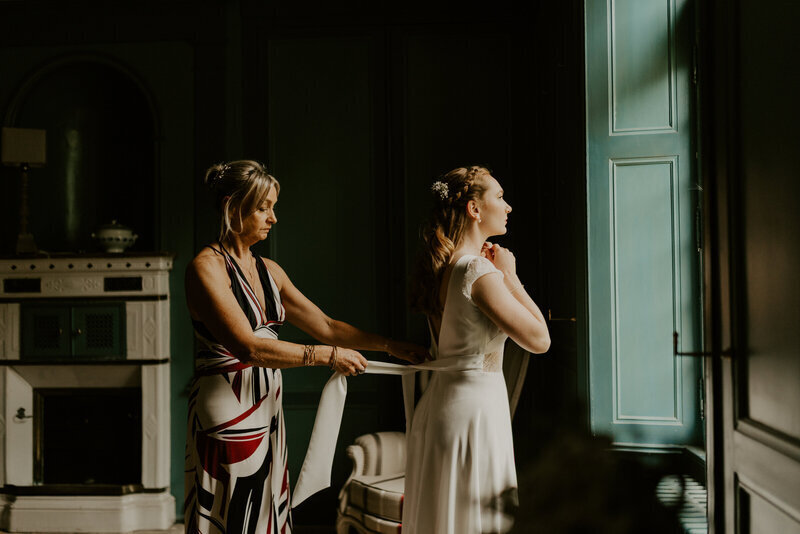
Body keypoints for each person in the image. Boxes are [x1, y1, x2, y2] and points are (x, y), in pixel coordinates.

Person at [183, 160, 427, 533]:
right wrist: (327, 357)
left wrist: (389, 345)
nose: (273, 218)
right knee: (233, 516)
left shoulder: (271, 271)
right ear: (233, 207)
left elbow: (326, 326)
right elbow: (248, 348)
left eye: (273, 208)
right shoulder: (206, 268)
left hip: (268, 410)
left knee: (266, 516)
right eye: (263, 208)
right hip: (228, 414)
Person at [403, 165, 551, 534]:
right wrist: (511, 276)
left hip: (442, 408)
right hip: (473, 414)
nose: (508, 206)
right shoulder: (477, 272)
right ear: (474, 209)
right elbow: (540, 340)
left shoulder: (447, 265)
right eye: (499, 197)